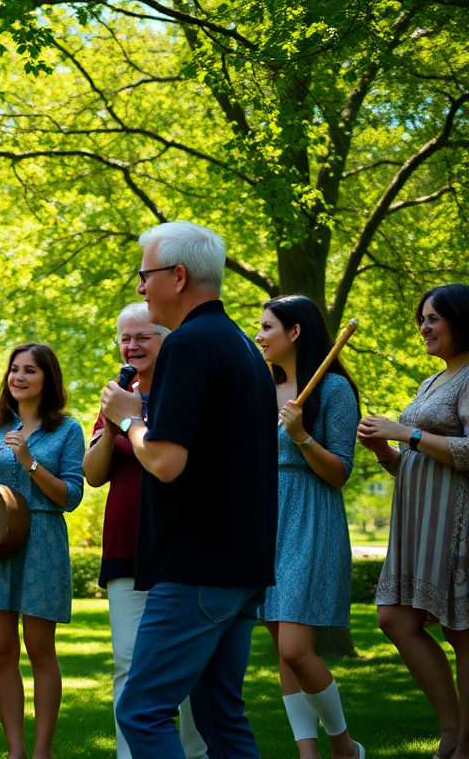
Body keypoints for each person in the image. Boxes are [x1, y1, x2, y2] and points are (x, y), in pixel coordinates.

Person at [99, 220, 277, 758]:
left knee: (142, 709)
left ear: (177, 276)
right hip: (242, 565)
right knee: (219, 716)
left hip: (197, 566)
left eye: (144, 275)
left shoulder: (189, 346)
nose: (139, 287)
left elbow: (166, 461)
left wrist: (130, 418)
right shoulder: (242, 347)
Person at [83, 302, 207, 759]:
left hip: (178, 546)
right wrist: (111, 422)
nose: (131, 346)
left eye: (143, 337)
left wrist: (138, 419)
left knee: (187, 667)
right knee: (127, 662)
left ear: (166, 340)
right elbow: (94, 475)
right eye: (125, 339)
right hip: (126, 544)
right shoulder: (116, 397)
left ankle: (194, 753)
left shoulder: (183, 390)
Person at [0, 343, 85, 759]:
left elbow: (71, 496)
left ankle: (42, 751)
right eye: (15, 369)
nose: (19, 377)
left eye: (30, 370)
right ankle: (16, 751)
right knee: (3, 651)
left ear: (47, 378)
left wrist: (29, 461)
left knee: (40, 648)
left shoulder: (67, 429)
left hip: (43, 543)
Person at [360, 283, 469, 759]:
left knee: (462, 632)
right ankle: (452, 728)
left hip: (458, 520)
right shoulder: (432, 382)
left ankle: (463, 744)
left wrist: (407, 432)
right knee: (395, 618)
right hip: (418, 522)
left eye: (433, 319)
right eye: (420, 319)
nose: (423, 327)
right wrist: (386, 450)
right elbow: (414, 461)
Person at [253, 295, 363, 759]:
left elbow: (340, 471)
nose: (258, 336)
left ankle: (343, 745)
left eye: (266, 327)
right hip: (264, 519)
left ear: (295, 332)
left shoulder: (333, 390)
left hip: (311, 517)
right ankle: (308, 753)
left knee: (297, 649)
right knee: (282, 647)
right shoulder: (260, 387)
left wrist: (301, 436)